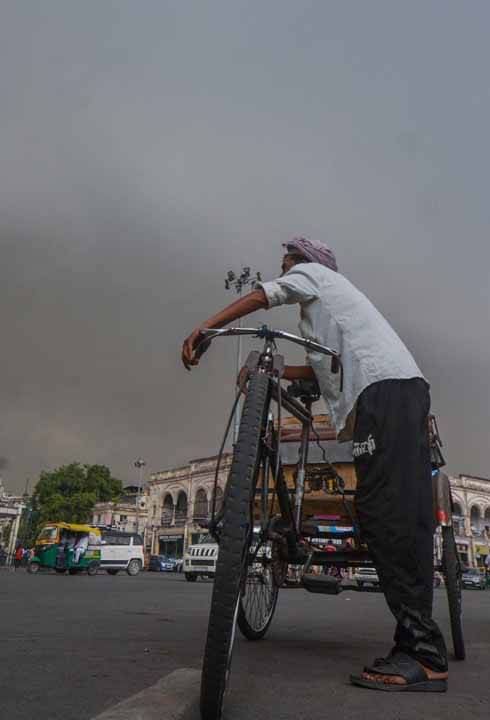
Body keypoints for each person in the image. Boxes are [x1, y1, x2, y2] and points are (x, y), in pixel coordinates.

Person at [181, 237, 448, 692]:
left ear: (307, 264)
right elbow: (319, 372)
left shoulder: (320, 278)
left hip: (387, 393)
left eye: (288, 260)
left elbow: (266, 295)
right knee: (385, 513)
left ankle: (423, 654)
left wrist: (206, 329)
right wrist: (274, 372)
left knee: (391, 517)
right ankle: (416, 644)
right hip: (387, 396)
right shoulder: (325, 319)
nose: (282, 266)